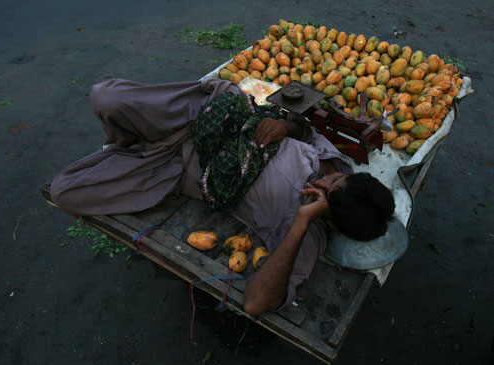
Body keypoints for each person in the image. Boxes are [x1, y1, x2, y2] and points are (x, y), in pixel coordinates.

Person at [50, 77, 395, 315]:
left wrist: (302, 219)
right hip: (210, 114)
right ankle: (132, 137)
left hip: (180, 166)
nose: (321, 182)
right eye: (332, 180)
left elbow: (256, 302)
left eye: (325, 193)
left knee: (65, 191)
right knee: (104, 97)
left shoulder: (308, 237)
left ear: (330, 221)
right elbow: (305, 128)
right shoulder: (339, 165)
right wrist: (285, 128)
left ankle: (139, 147)